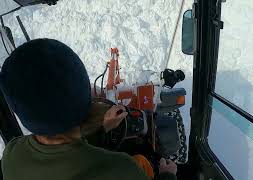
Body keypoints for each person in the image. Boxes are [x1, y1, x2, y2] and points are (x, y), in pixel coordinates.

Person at [0, 39, 177, 180]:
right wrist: (168, 175)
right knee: (143, 162)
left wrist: (102, 131)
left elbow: (64, 155)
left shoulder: (13, 155)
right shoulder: (121, 170)